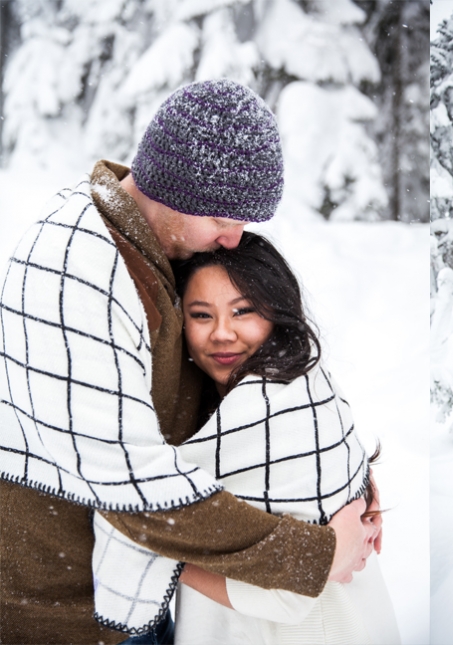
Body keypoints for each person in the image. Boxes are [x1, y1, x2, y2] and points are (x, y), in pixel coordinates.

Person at [0, 79, 371, 644]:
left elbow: (233, 387)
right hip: (62, 610)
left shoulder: (157, 249)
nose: (234, 239)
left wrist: (344, 482)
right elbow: (127, 480)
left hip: (134, 590)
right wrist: (317, 554)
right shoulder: (72, 265)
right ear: (173, 190)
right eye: (224, 219)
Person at [92, 232, 400, 644]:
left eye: (243, 311)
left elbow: (285, 597)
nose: (222, 333)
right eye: (202, 315)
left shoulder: (276, 408)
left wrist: (162, 545)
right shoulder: (289, 381)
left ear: (278, 311)